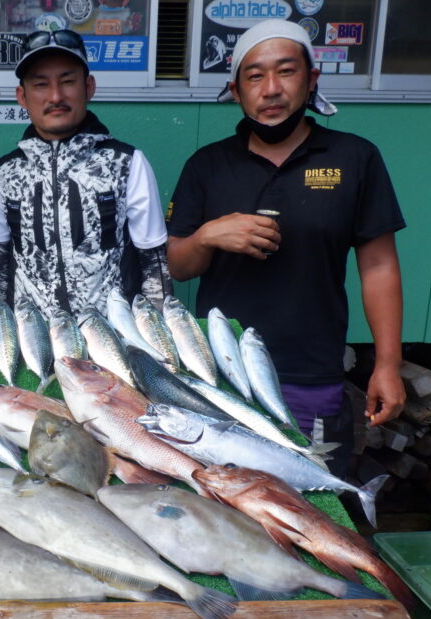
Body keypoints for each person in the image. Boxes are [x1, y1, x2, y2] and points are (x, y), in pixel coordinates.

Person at [166, 19, 405, 476]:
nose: (271, 89)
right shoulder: (208, 165)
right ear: (236, 91)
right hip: (222, 373)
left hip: (311, 369)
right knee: (230, 497)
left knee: (312, 502)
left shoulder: (354, 158)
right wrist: (207, 236)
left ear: (312, 79)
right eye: (255, 76)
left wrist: (388, 363)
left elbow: (378, 266)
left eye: (286, 72)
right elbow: (178, 266)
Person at [0, 29, 170, 316]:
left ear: (89, 87)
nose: (56, 96)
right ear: (22, 96)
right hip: (36, 339)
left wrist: (157, 338)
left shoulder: (127, 163)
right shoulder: (2, 173)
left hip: (112, 337)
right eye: (41, 84)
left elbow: (154, 263)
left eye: (68, 81)